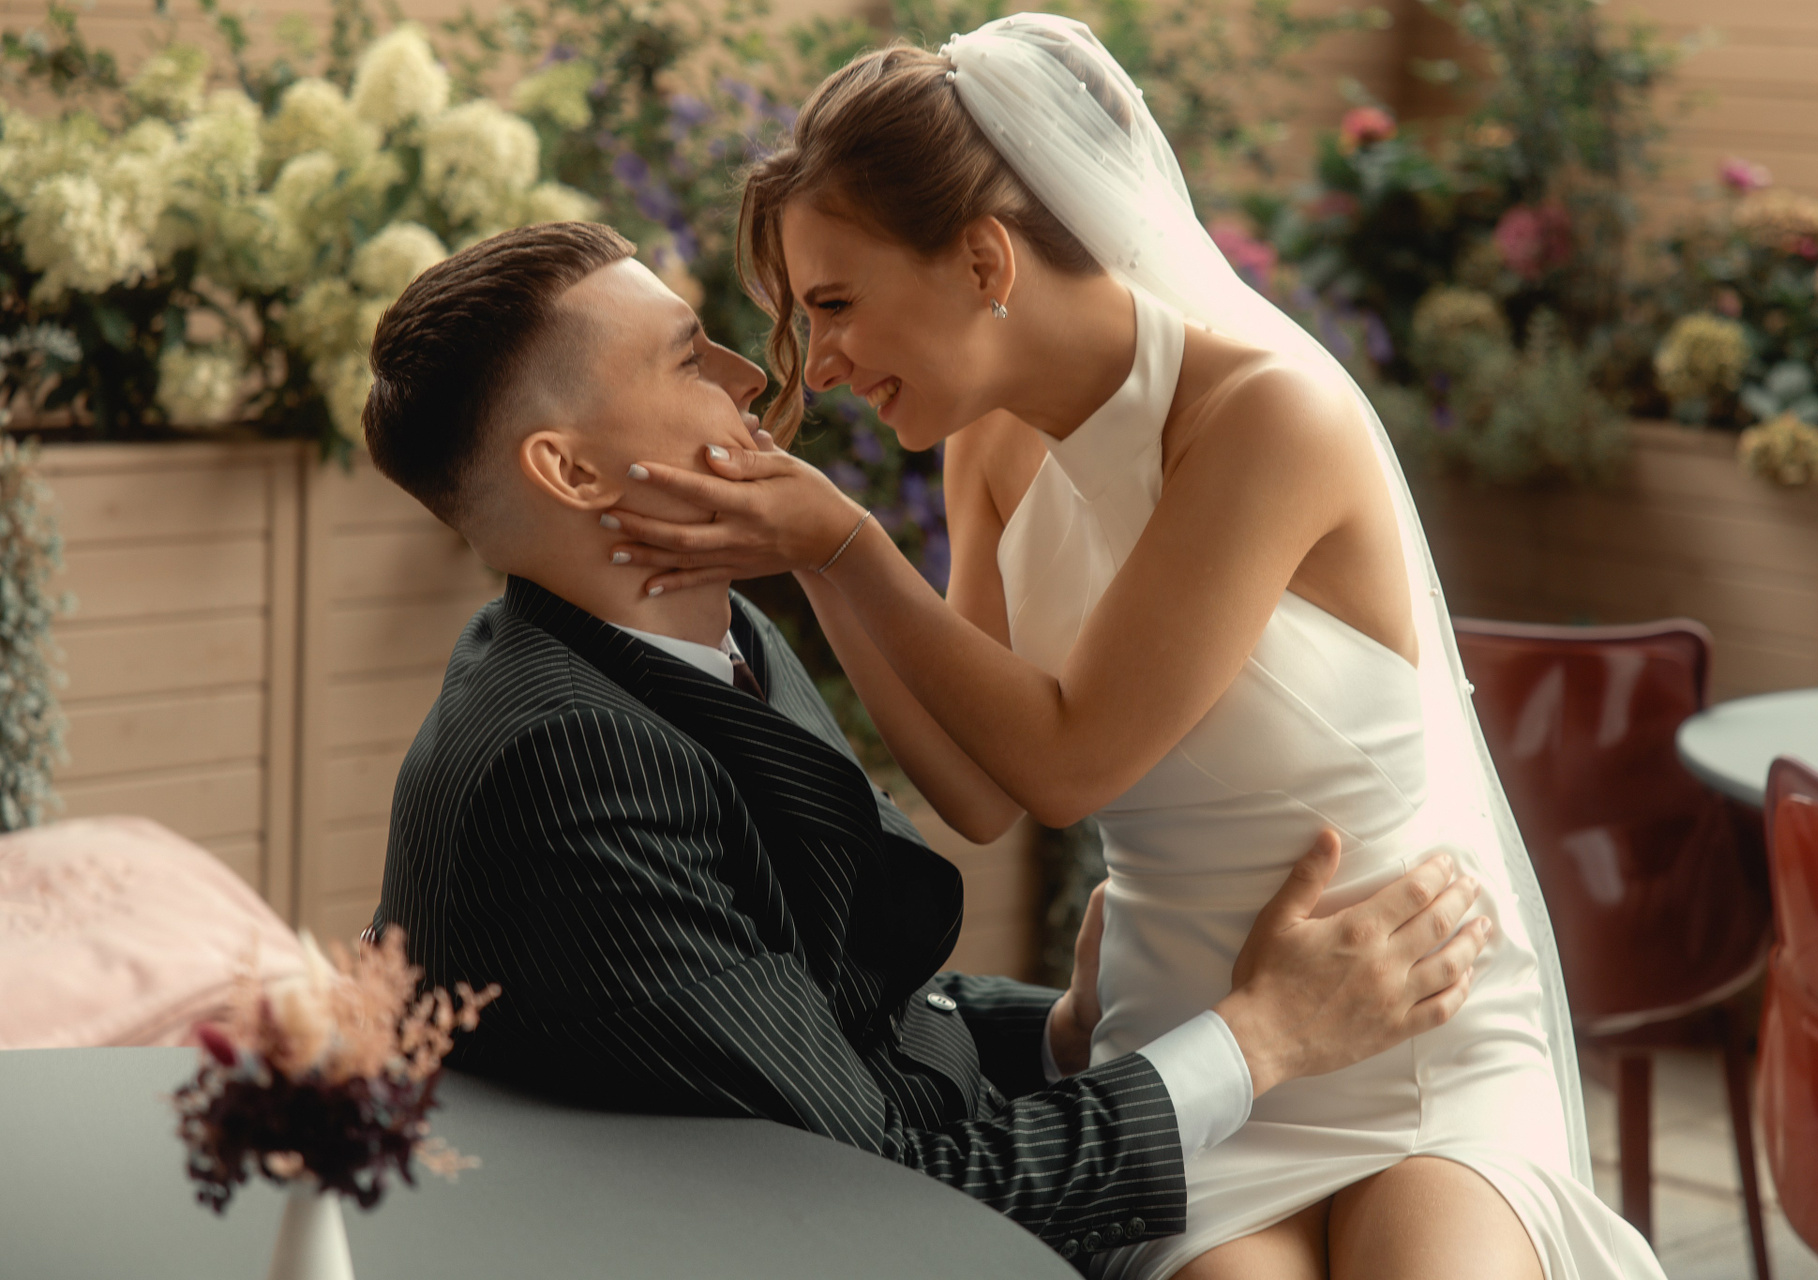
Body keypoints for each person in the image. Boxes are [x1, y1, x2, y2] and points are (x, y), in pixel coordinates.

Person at [602, 17, 1666, 1280]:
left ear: (984, 257)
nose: (819, 364)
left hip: (1407, 1014)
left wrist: (843, 543)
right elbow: (983, 789)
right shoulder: (989, 444)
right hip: (1201, 1041)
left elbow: (1072, 760)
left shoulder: (1268, 416)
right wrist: (824, 567)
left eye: (834, 304)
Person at [362, 219, 1490, 1268]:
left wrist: (1065, 1032)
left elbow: (835, 1015)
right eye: (689, 359)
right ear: (569, 471)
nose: (753, 379)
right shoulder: (563, 768)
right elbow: (884, 1191)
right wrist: (1263, 1038)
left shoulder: (711, 634)